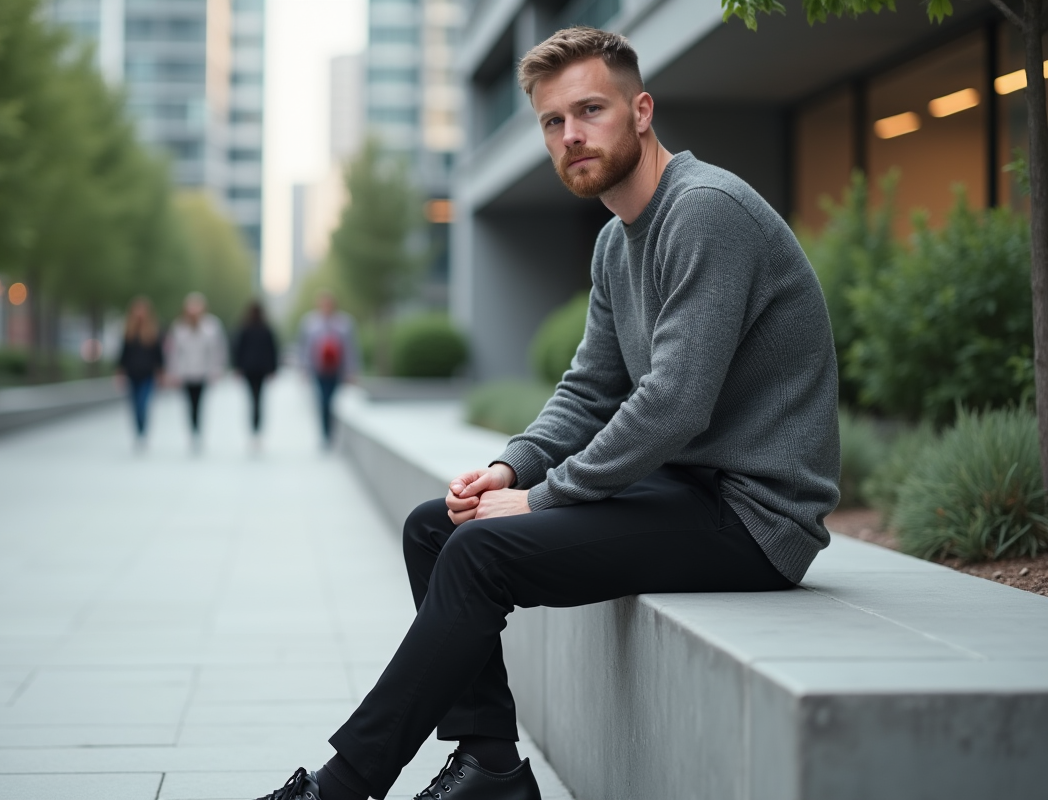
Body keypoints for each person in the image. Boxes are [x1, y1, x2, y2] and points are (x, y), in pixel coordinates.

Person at [253, 27, 839, 800]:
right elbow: (590, 391)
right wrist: (508, 469)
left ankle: (341, 787)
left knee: (479, 553)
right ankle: (490, 767)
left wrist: (540, 499)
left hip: (755, 518)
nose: (571, 136)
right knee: (436, 527)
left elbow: (673, 405)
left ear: (642, 111)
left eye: (591, 110)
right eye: (552, 121)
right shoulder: (615, 245)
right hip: (689, 490)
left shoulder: (704, 211)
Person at [165, 292, 227, 447]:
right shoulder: (179, 327)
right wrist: (173, 372)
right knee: (189, 404)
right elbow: (173, 352)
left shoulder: (211, 326)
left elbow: (217, 350)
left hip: (203, 372)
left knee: (199, 403)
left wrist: (217, 369)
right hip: (185, 373)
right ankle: (193, 430)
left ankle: (198, 430)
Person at [298, 291, 358, 447]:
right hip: (318, 370)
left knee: (332, 402)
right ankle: (325, 434)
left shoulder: (344, 323)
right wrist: (304, 369)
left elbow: (350, 349)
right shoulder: (310, 323)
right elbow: (304, 348)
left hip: (337, 370)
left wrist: (351, 371)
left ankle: (331, 431)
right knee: (322, 401)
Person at [116, 296, 164, 447]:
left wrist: (161, 371)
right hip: (132, 373)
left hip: (147, 374)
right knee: (134, 405)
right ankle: (138, 432)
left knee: (143, 403)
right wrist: (120, 372)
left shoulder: (153, 331)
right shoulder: (128, 331)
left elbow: (158, 354)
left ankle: (143, 431)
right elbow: (123, 354)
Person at [232, 300, 279, 443]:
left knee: (253, 399)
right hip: (261, 369)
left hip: (249, 369)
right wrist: (272, 369)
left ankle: (254, 428)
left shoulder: (244, 328)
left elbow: (238, 349)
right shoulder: (266, 329)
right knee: (258, 399)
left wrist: (237, 367)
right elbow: (272, 350)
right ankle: (256, 428)